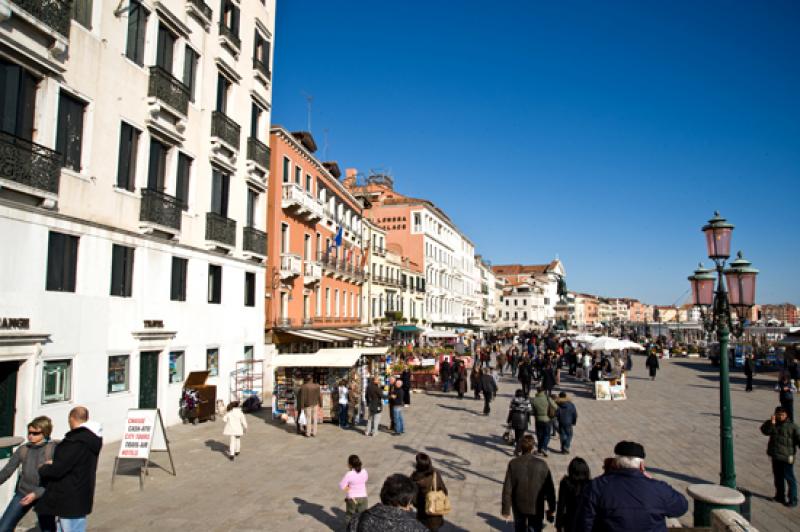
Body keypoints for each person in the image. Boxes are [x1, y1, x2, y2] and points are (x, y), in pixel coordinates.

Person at [575, 441, 688, 531]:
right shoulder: (659, 489)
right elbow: (681, 507)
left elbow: (584, 524)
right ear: (642, 465)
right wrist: (651, 480)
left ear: (615, 463)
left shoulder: (596, 487)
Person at [37, 406, 103, 532]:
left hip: (69, 496)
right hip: (81, 493)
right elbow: (74, 461)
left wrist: (44, 468)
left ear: (71, 419)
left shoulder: (75, 441)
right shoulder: (91, 438)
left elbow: (59, 469)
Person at [0, 416, 57, 532]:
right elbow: (7, 471)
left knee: (48, 529)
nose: (31, 436)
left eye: (35, 433)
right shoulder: (23, 449)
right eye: (29, 432)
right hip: (23, 493)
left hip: (44, 494)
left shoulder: (53, 449)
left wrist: (37, 493)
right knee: (3, 527)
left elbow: (55, 478)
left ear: (45, 433)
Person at [501, 435, 556, 532]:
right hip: (536, 505)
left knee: (519, 528)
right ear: (533, 447)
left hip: (519, 505)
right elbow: (550, 489)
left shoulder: (513, 463)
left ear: (520, 447)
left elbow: (507, 488)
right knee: (535, 528)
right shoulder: (542, 464)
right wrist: (552, 508)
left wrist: (506, 510)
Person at [347, 473, 428, 531]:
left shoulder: (357, 520)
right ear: (405, 502)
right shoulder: (417, 528)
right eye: (410, 502)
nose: (410, 506)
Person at [760, 406, 800, 507]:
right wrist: (772, 423)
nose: (780, 417)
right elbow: (765, 431)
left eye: (782, 415)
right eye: (778, 415)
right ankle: (779, 496)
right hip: (775, 455)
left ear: (786, 415)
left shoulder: (792, 427)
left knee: (789, 477)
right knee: (778, 477)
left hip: (787, 457)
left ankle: (793, 499)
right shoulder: (773, 423)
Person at [410, 453, 448, 531]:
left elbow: (414, 500)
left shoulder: (415, 478)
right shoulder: (435, 474)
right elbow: (444, 491)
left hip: (423, 514)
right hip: (436, 512)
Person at [555, 457, 591, 532]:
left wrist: (558, 524)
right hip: (586, 521)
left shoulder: (565, 483)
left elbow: (561, 505)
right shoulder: (590, 484)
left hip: (570, 521)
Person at [340, 455, 369, 524]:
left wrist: (349, 490)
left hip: (352, 498)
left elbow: (342, 485)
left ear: (350, 465)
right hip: (363, 497)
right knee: (362, 516)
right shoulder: (364, 471)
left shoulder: (349, 474)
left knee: (350, 516)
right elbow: (365, 480)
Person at [532, 387, 558, 457]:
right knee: (547, 435)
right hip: (547, 419)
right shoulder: (547, 398)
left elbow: (532, 411)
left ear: (537, 391)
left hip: (538, 420)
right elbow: (555, 407)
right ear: (543, 391)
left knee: (539, 435)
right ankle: (544, 448)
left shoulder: (534, 399)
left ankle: (539, 450)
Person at [507, 390, 532, 456]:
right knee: (521, 436)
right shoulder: (527, 400)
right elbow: (529, 410)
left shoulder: (514, 400)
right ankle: (517, 450)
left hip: (515, 418)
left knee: (517, 435)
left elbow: (511, 407)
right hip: (523, 418)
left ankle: (518, 449)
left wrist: (518, 407)